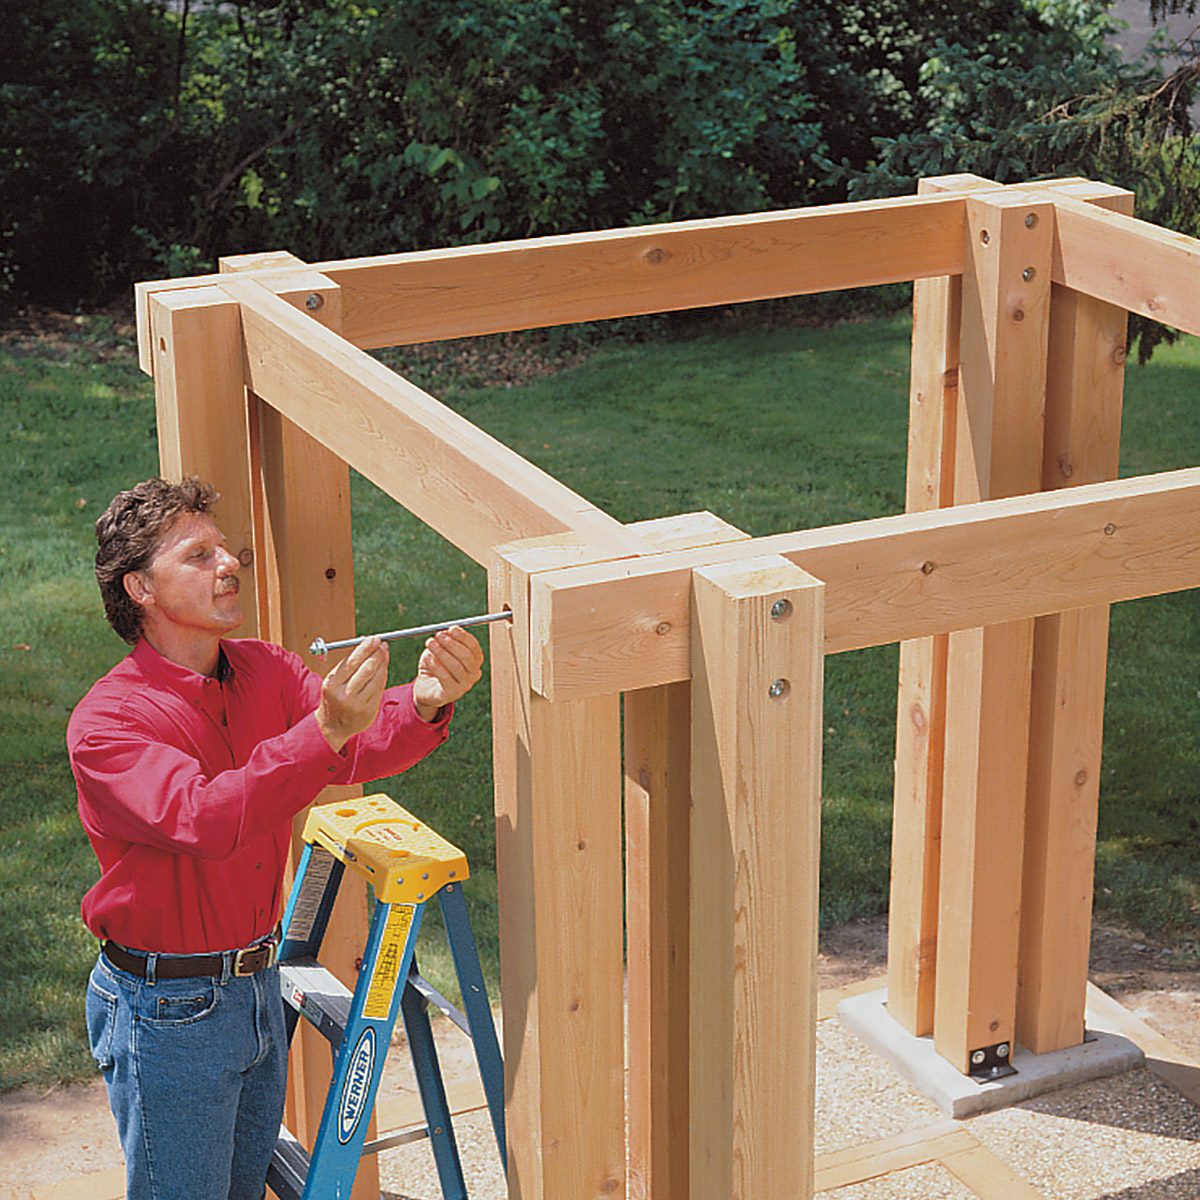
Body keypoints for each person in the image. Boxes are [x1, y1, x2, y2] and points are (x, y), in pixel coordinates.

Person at [66, 477, 484, 1200]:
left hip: (255, 987)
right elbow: (205, 816)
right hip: (168, 1013)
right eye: (198, 556)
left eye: (225, 549)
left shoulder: (263, 668)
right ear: (139, 588)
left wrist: (422, 700)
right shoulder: (107, 726)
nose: (227, 563)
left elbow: (350, 746)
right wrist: (322, 731)